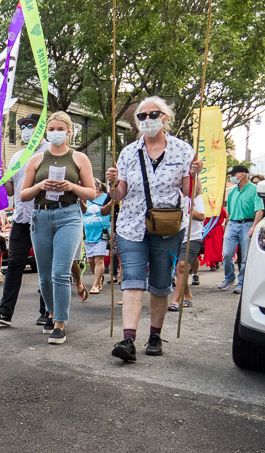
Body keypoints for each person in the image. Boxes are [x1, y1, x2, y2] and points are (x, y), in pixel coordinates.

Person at [106, 96, 203, 362]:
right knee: (133, 280)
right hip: (131, 226)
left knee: (160, 284)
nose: (147, 120)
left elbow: (190, 192)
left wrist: (195, 174)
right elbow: (120, 194)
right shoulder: (128, 152)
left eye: (153, 114)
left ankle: (155, 335)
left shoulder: (183, 150)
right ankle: (128, 339)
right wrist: (112, 184)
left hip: (168, 226)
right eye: (142, 116)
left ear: (165, 118)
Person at [20, 111, 96, 345]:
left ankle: (60, 324)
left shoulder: (79, 158)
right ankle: (51, 313)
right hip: (41, 216)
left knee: (60, 272)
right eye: (51, 130)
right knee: (44, 277)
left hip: (69, 215)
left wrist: (72, 186)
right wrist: (41, 184)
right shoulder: (36, 159)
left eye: (59, 129)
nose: (55, 133)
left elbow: (92, 192)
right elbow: (23, 194)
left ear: (69, 131)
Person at [0, 113, 50, 326]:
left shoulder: (51, 152)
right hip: (22, 217)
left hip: (44, 215)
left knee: (44, 265)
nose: (27, 130)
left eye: (31, 125)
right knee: (14, 263)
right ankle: (5, 312)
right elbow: (12, 189)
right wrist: (2, 177)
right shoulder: (18, 157)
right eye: (23, 126)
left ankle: (46, 310)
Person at [218, 165, 264, 294]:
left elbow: (259, 210)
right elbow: (229, 211)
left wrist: (254, 226)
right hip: (232, 224)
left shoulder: (255, 190)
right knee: (227, 254)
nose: (232, 177)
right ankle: (229, 278)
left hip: (247, 224)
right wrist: (226, 225)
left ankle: (242, 283)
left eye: (234, 174)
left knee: (245, 257)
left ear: (242, 174)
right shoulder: (232, 191)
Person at [169, 196, 205, 311]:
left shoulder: (195, 197)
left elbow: (201, 216)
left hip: (192, 237)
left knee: (182, 265)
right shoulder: (173, 193)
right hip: (172, 236)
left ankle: (175, 301)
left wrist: (186, 209)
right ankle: (188, 296)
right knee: (178, 269)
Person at [82, 179, 111, 294]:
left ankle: (95, 285)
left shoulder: (106, 197)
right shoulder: (85, 198)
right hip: (88, 233)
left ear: (98, 187)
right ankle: (99, 278)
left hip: (102, 233)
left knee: (99, 259)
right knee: (91, 261)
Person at [200, 205, 226, 271]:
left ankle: (216, 262)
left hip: (217, 229)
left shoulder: (219, 206)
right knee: (210, 248)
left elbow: (225, 215)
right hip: (209, 229)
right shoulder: (208, 206)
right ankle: (213, 263)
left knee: (217, 247)